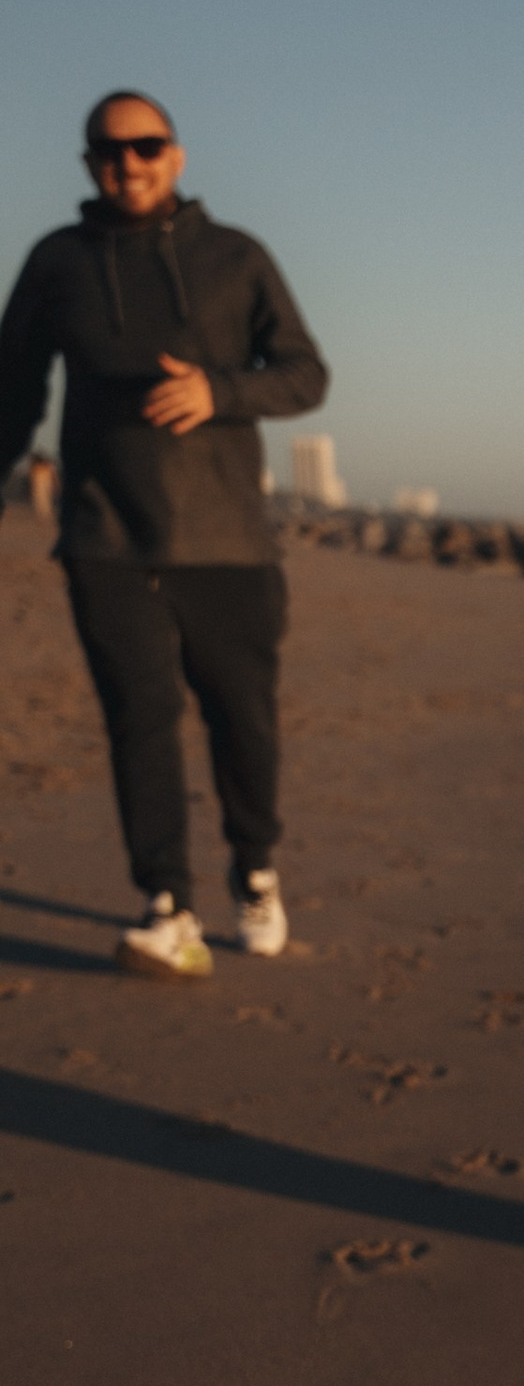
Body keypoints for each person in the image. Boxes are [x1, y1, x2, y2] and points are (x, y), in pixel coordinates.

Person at [0, 90, 329, 978]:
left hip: (228, 541)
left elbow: (305, 374)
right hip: (107, 536)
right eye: (110, 150)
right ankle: (167, 905)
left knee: (242, 723)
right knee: (139, 720)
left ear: (177, 156)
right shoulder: (57, 263)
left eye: (147, 146)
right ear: (88, 165)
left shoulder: (236, 257)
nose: (129, 162)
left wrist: (219, 393)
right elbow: (13, 392)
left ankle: (255, 871)